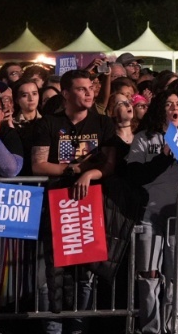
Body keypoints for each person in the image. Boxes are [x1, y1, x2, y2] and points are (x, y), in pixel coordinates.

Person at [31, 70, 117, 334]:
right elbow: (38, 165)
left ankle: (78, 328)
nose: (89, 92)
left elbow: (110, 164)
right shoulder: (47, 123)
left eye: (90, 87)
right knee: (53, 276)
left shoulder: (103, 123)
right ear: (66, 94)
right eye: (81, 89)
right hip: (56, 204)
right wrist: (73, 171)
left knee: (85, 276)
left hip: (90, 206)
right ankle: (53, 329)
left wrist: (90, 173)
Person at [126, 89, 178, 334]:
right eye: (169, 103)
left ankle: (172, 327)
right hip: (149, 215)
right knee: (148, 274)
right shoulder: (143, 138)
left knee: (175, 276)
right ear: (159, 108)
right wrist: (162, 157)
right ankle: (150, 328)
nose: (175, 108)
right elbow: (136, 175)